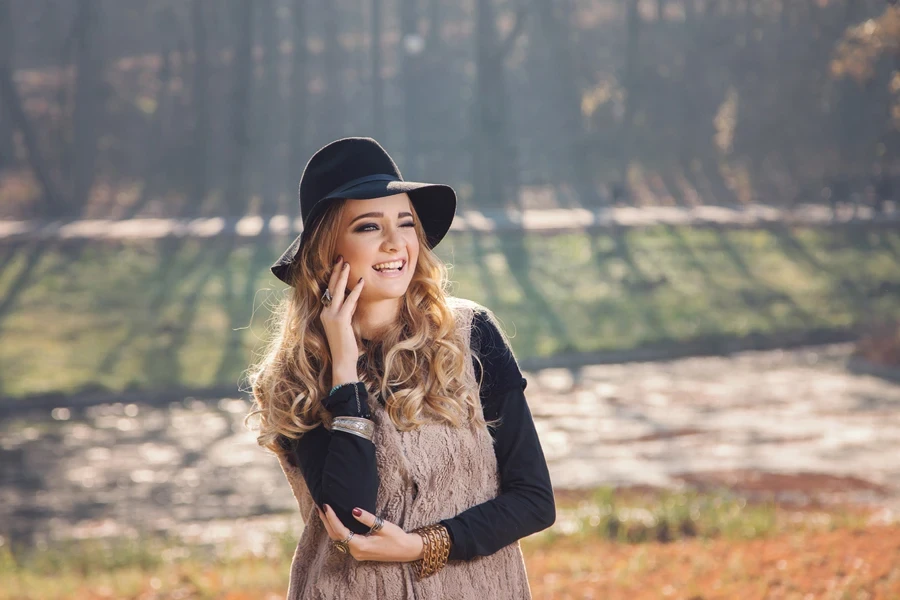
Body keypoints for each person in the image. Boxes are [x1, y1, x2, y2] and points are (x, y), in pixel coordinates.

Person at [246, 137, 555, 599]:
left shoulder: (472, 335)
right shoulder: (298, 373)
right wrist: (344, 372)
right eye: (369, 227)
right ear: (328, 248)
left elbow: (534, 500)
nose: (395, 243)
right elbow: (350, 517)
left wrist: (423, 545)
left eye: (405, 222)